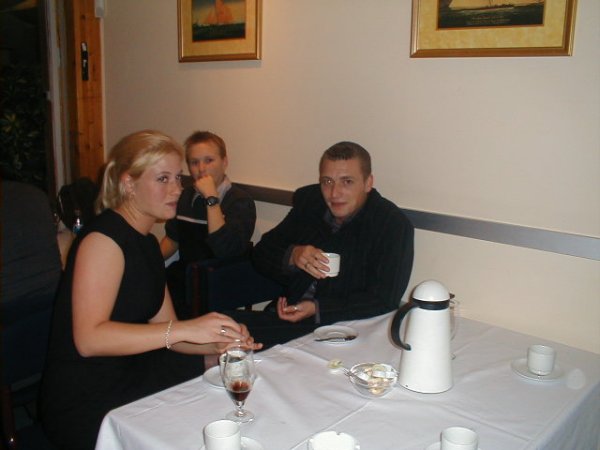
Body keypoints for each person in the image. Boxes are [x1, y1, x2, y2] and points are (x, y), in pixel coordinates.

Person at [40, 130, 261, 450]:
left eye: (177, 178)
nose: (177, 189)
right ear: (129, 184)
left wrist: (217, 342)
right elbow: (89, 341)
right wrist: (188, 329)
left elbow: (165, 328)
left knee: (225, 379)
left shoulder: (145, 242)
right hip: (87, 392)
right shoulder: (103, 241)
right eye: (163, 179)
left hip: (132, 368)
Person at [229, 141, 414, 349]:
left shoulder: (391, 225)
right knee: (219, 326)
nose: (334, 193)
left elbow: (384, 299)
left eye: (347, 182)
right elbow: (262, 253)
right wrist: (293, 255)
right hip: (288, 319)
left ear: (368, 183)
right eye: (327, 181)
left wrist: (317, 308)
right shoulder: (311, 204)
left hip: (347, 331)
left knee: (230, 341)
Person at [160, 131, 256, 319]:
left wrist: (211, 197)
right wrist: (146, 262)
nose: (201, 169)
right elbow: (172, 240)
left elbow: (224, 250)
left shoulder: (239, 201)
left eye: (209, 160)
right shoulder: (184, 196)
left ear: (224, 162)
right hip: (186, 278)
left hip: (221, 281)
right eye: (194, 162)